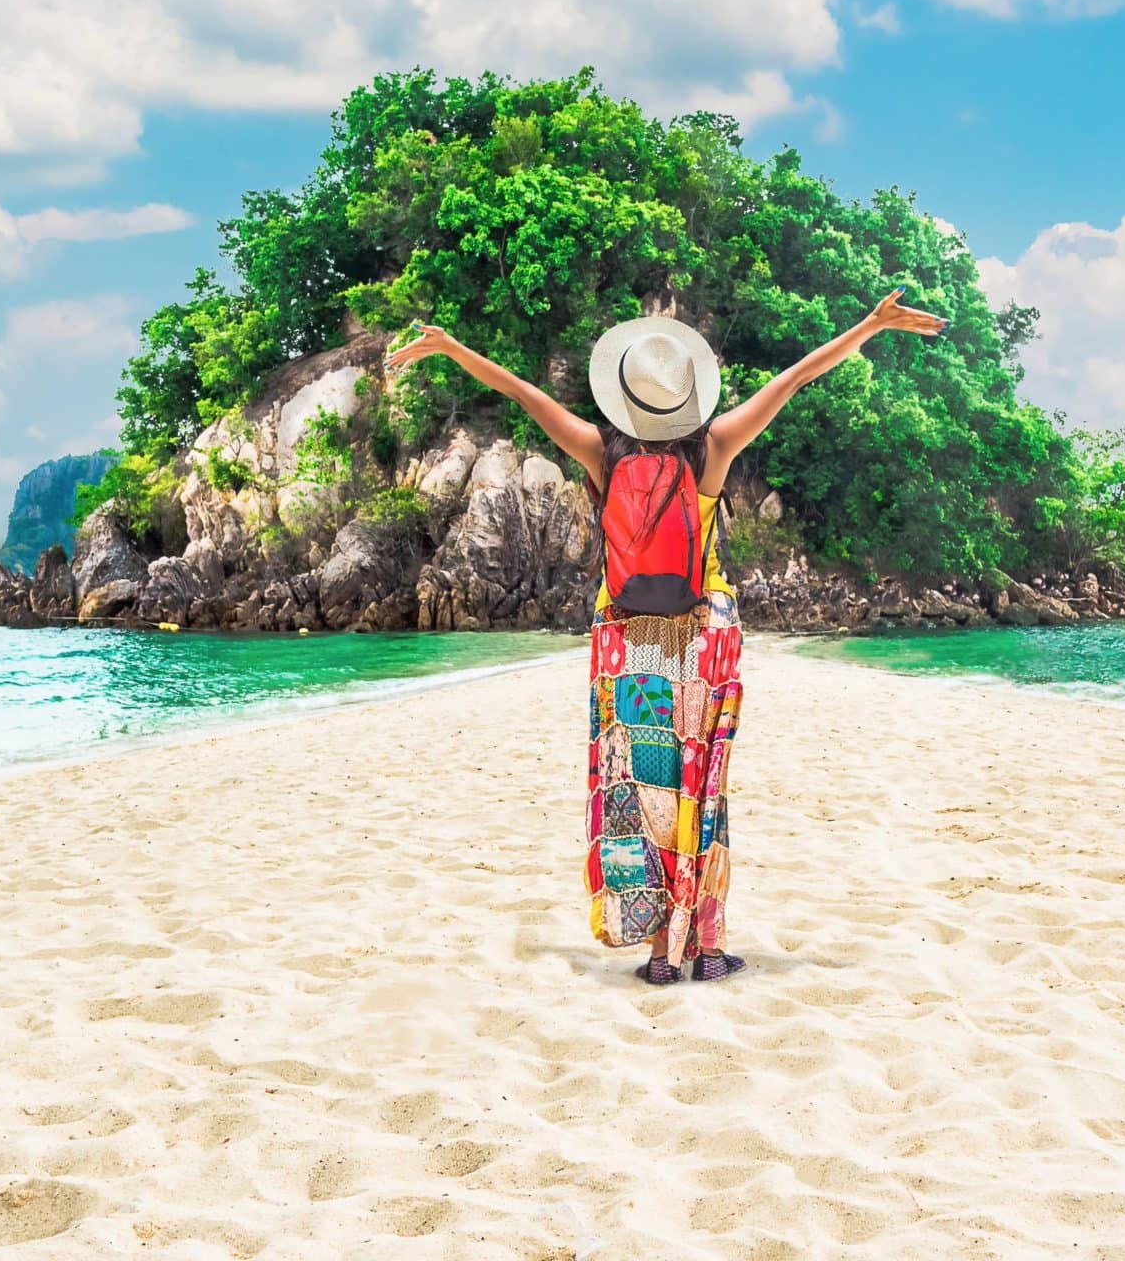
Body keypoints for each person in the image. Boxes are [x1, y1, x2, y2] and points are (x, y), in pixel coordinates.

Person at [387, 290, 944, 983]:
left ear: (623, 396)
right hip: (702, 640)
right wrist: (869, 324)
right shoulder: (712, 447)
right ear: (687, 399)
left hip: (625, 642)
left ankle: (654, 947)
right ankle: (703, 948)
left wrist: (449, 347)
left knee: (637, 783)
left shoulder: (599, 450)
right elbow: (793, 379)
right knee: (699, 785)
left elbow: (523, 392)